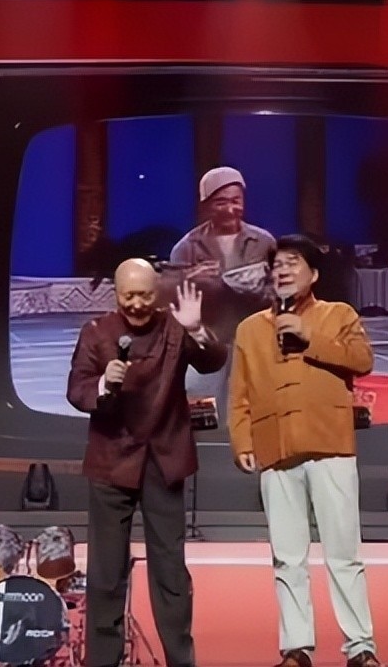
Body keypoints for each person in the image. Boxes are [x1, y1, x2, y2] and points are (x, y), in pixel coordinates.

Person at [227, 234, 383, 667]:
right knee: (287, 557)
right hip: (275, 448)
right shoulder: (250, 329)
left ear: (313, 274)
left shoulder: (338, 315)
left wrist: (307, 336)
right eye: (277, 265)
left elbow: (363, 360)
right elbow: (239, 392)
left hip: (330, 446)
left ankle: (360, 647)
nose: (282, 271)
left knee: (344, 554)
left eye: (292, 263)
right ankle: (296, 648)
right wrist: (242, 440)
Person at [66, 259, 227, 667]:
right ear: (116, 294)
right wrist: (104, 383)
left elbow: (213, 360)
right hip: (111, 462)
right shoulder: (96, 332)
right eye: (128, 296)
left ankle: (180, 659)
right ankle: (103, 660)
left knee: (170, 570)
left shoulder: (175, 327)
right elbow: (77, 389)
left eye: (145, 295)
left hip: (164, 461)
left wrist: (196, 329)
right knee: (105, 572)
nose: (137, 304)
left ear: (158, 293)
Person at [170, 166, 276, 411]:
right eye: (221, 203)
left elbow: (280, 291)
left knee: (256, 407)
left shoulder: (264, 242)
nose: (230, 209)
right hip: (207, 343)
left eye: (236, 201)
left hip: (255, 341)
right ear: (205, 205)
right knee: (207, 409)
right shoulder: (187, 248)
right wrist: (197, 282)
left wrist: (253, 290)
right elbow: (174, 302)